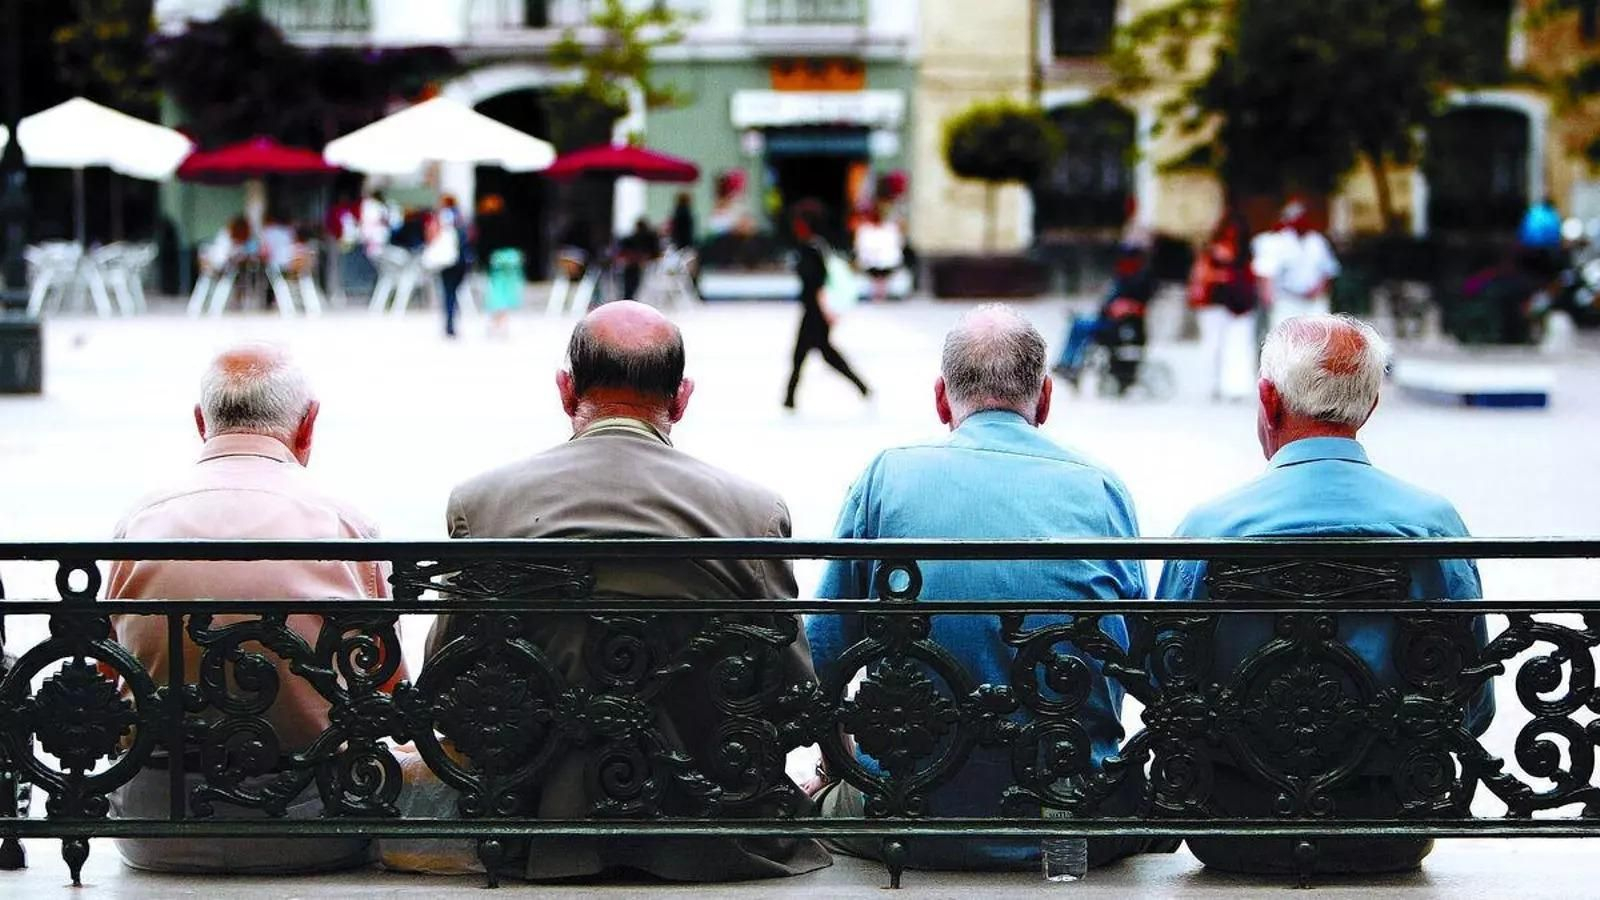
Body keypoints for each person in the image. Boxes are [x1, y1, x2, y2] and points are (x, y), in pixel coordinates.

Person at [423, 301, 831, 882]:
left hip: (529, 824)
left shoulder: (483, 504)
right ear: (682, 399)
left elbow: (444, 682)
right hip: (714, 825)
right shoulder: (752, 511)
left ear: (566, 392)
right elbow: (793, 691)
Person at [807, 304, 1152, 871]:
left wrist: (837, 766)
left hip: (906, 813)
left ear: (941, 398)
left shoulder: (886, 476)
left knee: (821, 799)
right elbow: (1143, 657)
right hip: (1074, 817)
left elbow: (824, 653)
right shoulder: (1100, 489)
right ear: (1044, 399)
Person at [1156, 314, 1491, 876]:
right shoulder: (1430, 523)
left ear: (1268, 399)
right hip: (1391, 821)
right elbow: (1471, 702)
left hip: (1232, 822)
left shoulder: (1214, 525)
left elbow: (1165, 685)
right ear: (1371, 404)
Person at [107, 343, 401, 874]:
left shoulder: (142, 521)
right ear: (307, 424)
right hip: (313, 822)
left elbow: (108, 673)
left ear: (202, 422)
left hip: (155, 822)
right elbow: (387, 687)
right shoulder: (342, 523)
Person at [783, 199, 870, 410]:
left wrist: (828, 311)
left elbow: (818, 285)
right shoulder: (816, 246)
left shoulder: (810, 250)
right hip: (813, 311)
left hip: (816, 312)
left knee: (819, 354)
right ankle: (789, 398)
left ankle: (790, 399)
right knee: (811, 354)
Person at [1052, 243, 1157, 386]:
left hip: (1122, 326)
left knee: (1081, 326)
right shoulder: (1121, 279)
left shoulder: (1141, 281)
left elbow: (1138, 306)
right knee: (1077, 323)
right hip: (1107, 320)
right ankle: (1068, 363)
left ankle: (1071, 364)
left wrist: (1124, 307)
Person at [1189, 210, 1260, 400]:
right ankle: (1211, 385)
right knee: (1213, 346)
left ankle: (1234, 387)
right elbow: (1201, 276)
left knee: (1237, 348)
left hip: (1238, 305)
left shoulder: (1245, 254)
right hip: (1214, 304)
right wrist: (1221, 276)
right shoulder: (1212, 252)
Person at [1252, 201, 1339, 330]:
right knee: (1286, 338)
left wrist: (1318, 290)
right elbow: (1265, 273)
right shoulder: (1275, 241)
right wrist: (1268, 298)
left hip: (1314, 302)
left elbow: (1328, 270)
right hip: (1286, 300)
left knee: (1318, 338)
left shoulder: (1317, 241)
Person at [852, 205, 904, 303]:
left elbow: (896, 246)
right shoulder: (865, 229)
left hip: (886, 260)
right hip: (870, 261)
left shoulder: (890, 229)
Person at [618, 216, 662, 302]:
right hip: (636, 264)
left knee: (632, 271)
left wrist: (644, 259)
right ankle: (628, 296)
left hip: (647, 266)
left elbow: (655, 254)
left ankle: (628, 296)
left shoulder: (649, 237)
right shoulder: (638, 238)